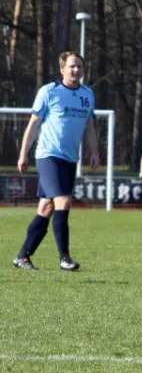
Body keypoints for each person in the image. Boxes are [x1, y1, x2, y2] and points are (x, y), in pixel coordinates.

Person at [12, 51, 100, 271]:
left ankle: (23, 256)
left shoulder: (88, 95)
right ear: (62, 69)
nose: (76, 70)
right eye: (72, 66)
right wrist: (24, 153)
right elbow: (33, 125)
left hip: (70, 158)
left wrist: (95, 152)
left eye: (79, 66)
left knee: (47, 206)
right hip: (48, 155)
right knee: (64, 201)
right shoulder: (49, 92)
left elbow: (90, 127)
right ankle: (64, 258)